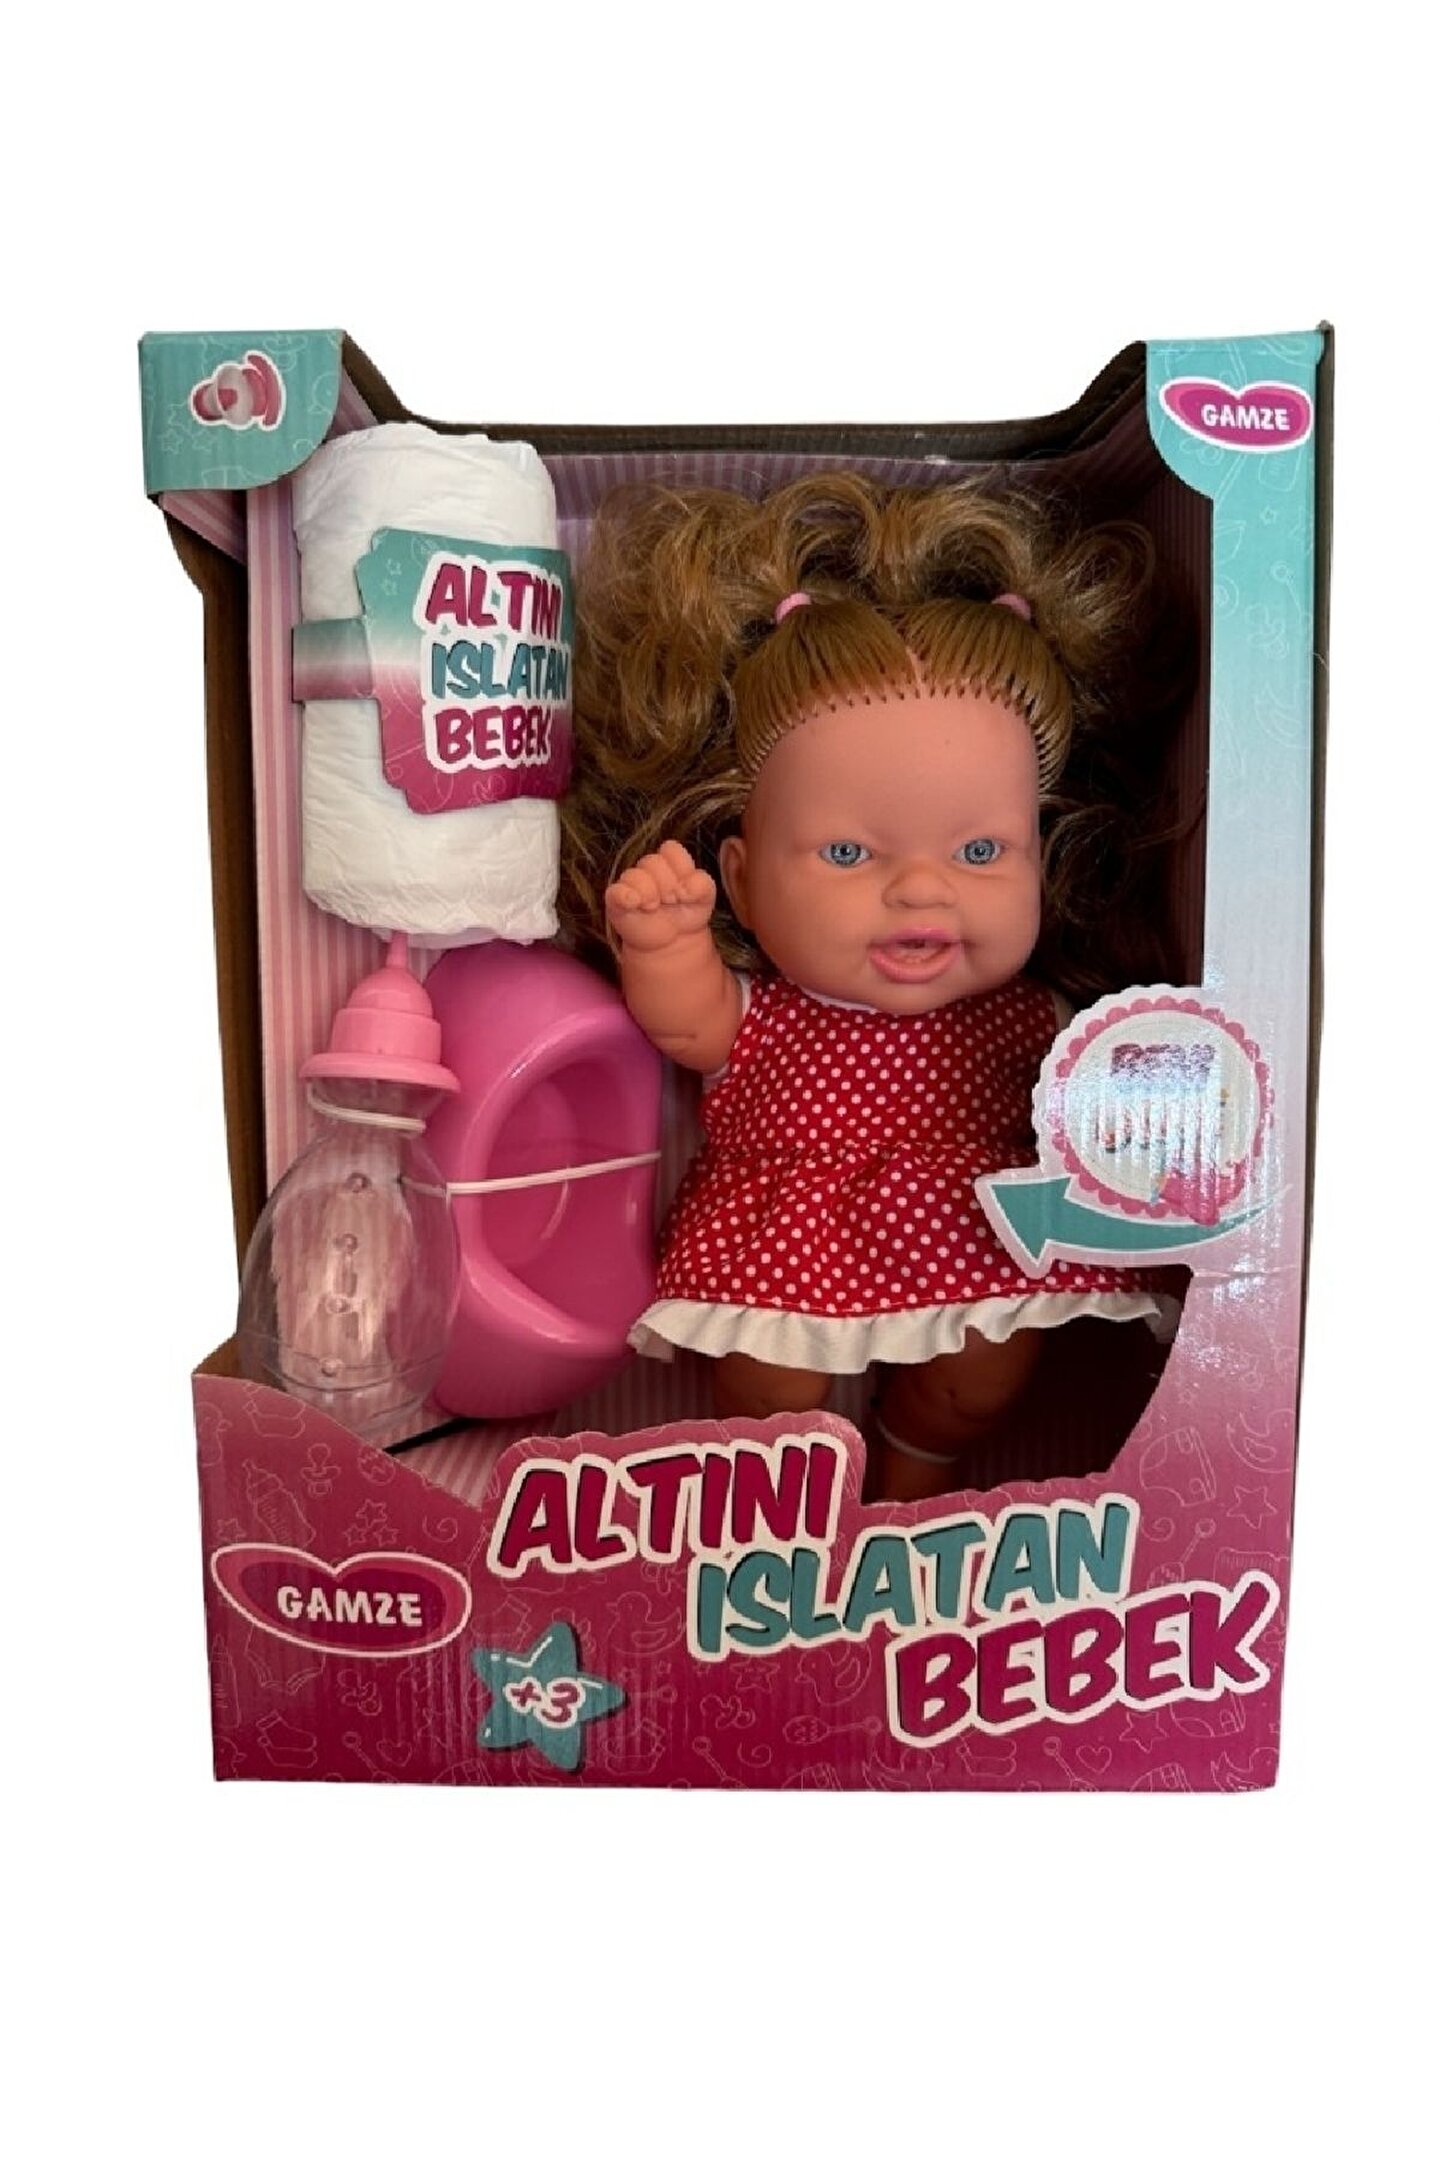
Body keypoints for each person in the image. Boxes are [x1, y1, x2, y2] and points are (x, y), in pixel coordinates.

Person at [561, 474, 1185, 1498]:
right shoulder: (769, 1009)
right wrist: (664, 945)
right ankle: (791, 1500)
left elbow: (1112, 1098)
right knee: (768, 1389)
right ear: (744, 882)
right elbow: (691, 1027)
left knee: (982, 1377)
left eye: (981, 850)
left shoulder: (1035, 1017)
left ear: (1044, 857)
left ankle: (913, 1467)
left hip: (979, 1232)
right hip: (788, 1241)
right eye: (849, 853)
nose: (922, 891)